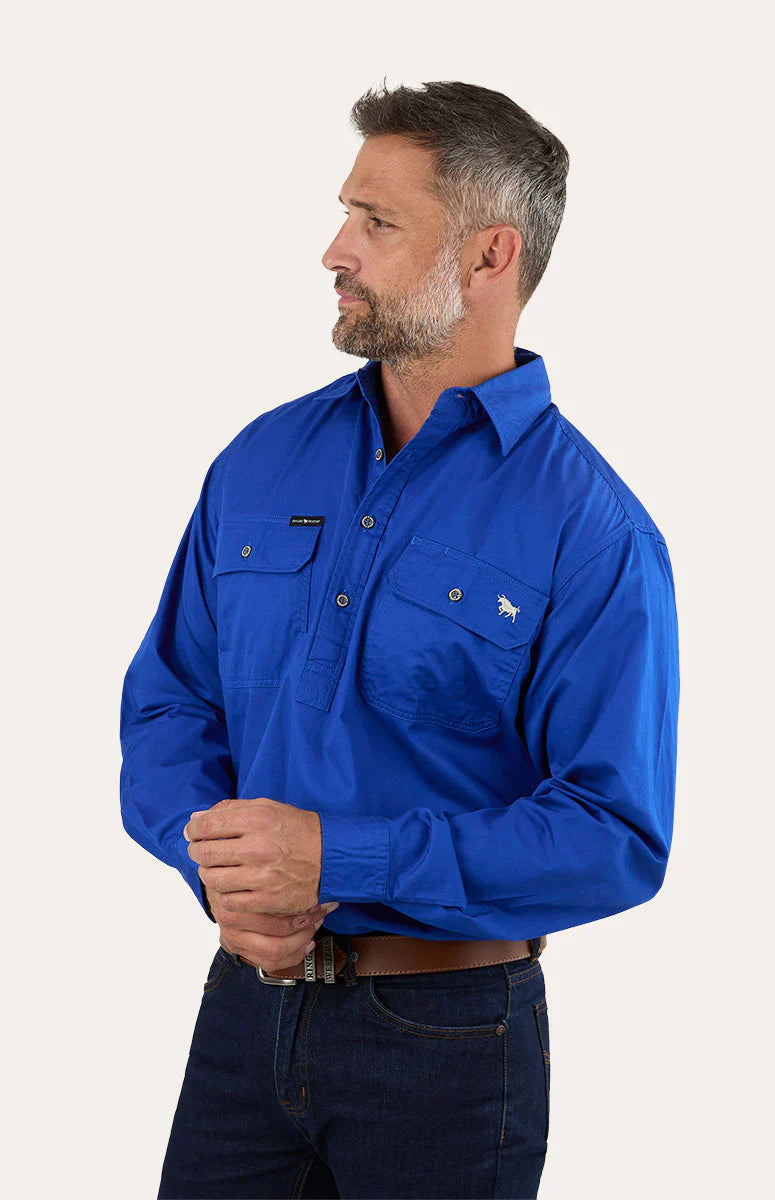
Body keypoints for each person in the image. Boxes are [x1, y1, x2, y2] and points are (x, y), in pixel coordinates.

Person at [120, 79, 680, 1200]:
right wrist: (217, 866)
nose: (335, 250)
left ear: (487, 256)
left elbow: (614, 834)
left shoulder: (591, 530)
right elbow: (171, 701)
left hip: (448, 1043)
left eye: (377, 223)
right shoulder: (259, 459)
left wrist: (342, 859)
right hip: (244, 1014)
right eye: (346, 213)